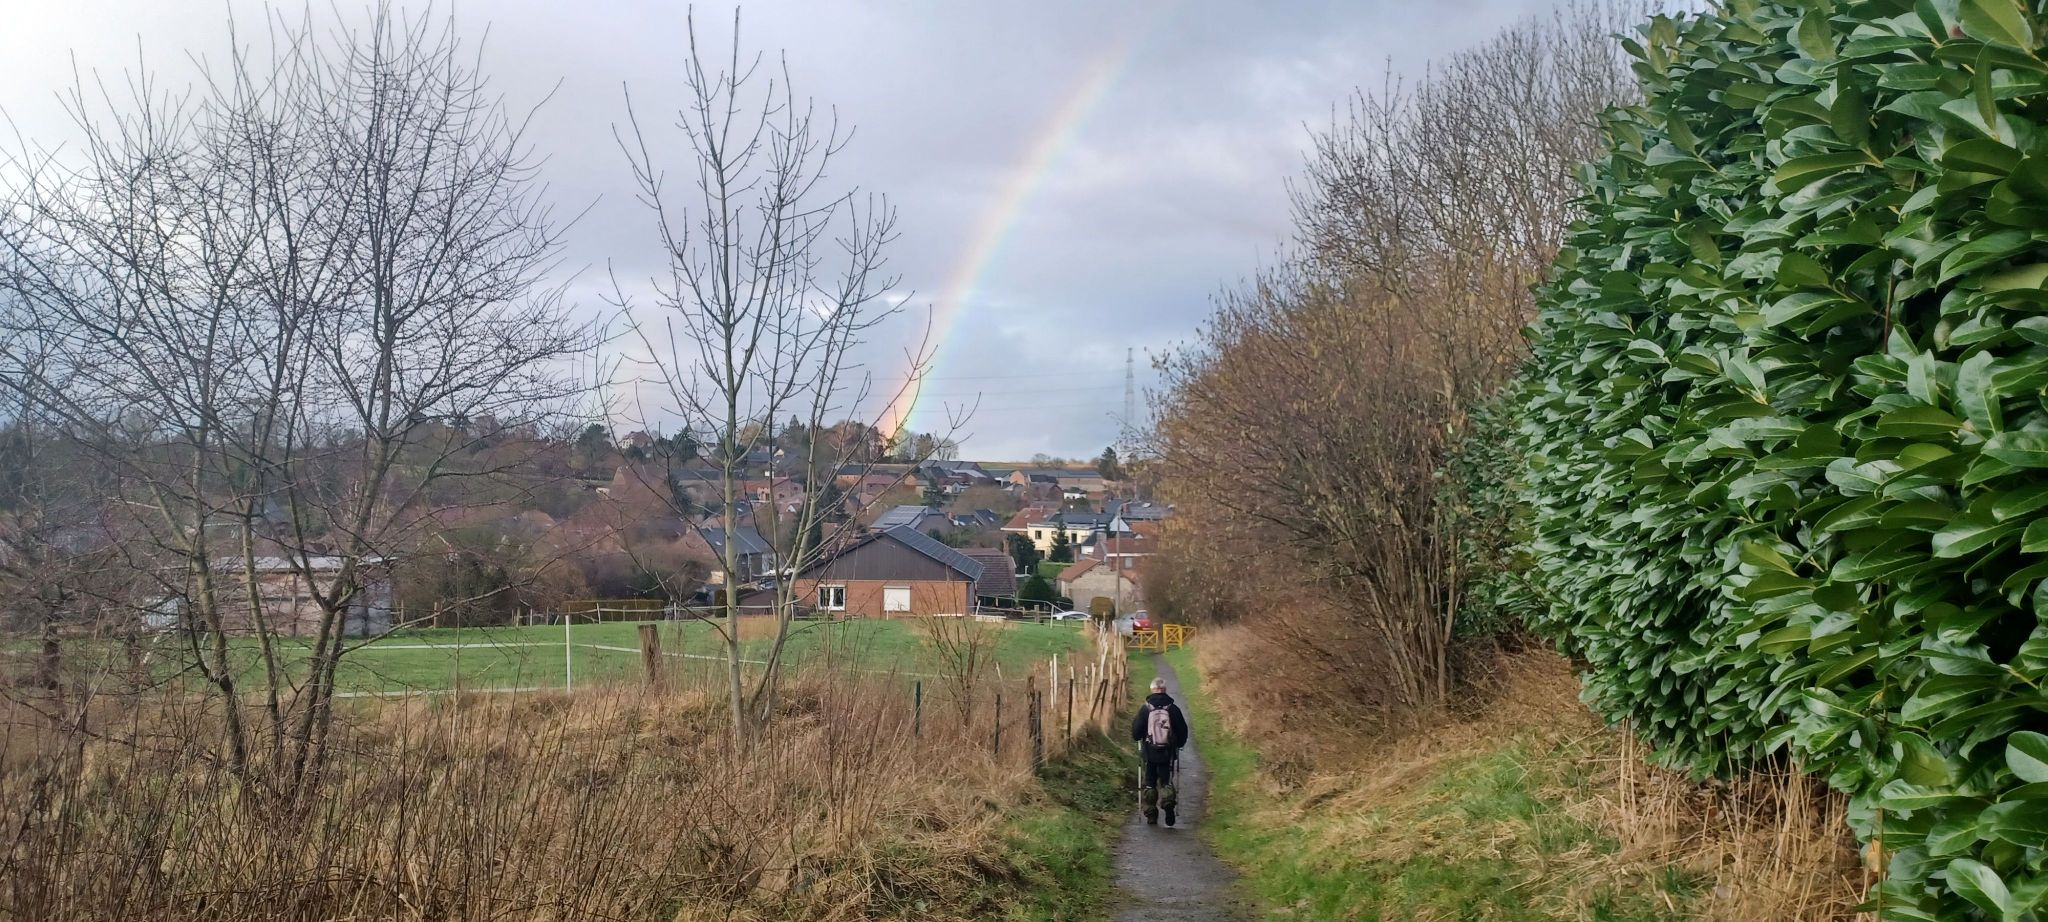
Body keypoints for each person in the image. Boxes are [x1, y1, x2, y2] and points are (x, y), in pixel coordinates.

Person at [1131, 676, 1190, 826]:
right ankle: (1168, 804)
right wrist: (1179, 744)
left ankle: (1151, 814)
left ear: (1152, 689)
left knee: (1150, 782)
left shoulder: (1145, 709)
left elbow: (1136, 732)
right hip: (1167, 752)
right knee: (1166, 780)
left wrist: (1139, 738)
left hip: (1149, 752)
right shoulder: (1173, 709)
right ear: (1164, 690)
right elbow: (1182, 730)